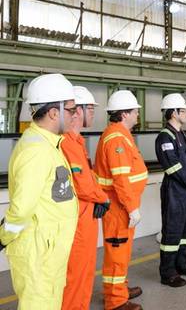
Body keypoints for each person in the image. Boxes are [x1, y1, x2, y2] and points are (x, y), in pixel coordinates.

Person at [0, 73, 79, 309]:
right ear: (54, 112)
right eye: (71, 110)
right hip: (38, 255)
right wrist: (4, 236)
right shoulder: (37, 151)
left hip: (47, 251)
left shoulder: (48, 144)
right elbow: (22, 209)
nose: (75, 115)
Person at [94, 90, 148, 310]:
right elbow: (121, 178)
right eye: (135, 111)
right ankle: (115, 301)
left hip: (122, 205)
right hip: (119, 207)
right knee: (117, 252)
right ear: (125, 113)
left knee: (122, 252)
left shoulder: (121, 134)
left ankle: (120, 289)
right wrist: (132, 208)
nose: (137, 114)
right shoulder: (117, 138)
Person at [62, 86, 111, 310]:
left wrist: (98, 197)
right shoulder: (68, 143)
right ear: (77, 111)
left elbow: (88, 177)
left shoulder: (78, 142)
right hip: (79, 220)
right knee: (76, 275)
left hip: (86, 216)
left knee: (85, 271)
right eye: (90, 108)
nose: (93, 113)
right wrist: (104, 198)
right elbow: (82, 184)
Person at [155, 93, 186, 288]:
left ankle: (182, 262)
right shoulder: (165, 137)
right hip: (175, 191)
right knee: (172, 232)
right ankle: (168, 272)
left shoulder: (182, 135)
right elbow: (173, 167)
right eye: (184, 111)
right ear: (174, 113)